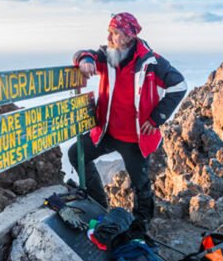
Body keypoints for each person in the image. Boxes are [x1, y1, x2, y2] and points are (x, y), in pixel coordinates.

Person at [68, 12, 187, 228]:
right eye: (109, 32)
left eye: (115, 33)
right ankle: (98, 203)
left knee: (140, 185)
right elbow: (83, 54)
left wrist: (156, 118)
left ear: (129, 36)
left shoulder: (152, 61)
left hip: (135, 138)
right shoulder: (107, 55)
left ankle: (141, 225)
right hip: (107, 133)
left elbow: (179, 85)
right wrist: (84, 60)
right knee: (76, 153)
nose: (109, 37)